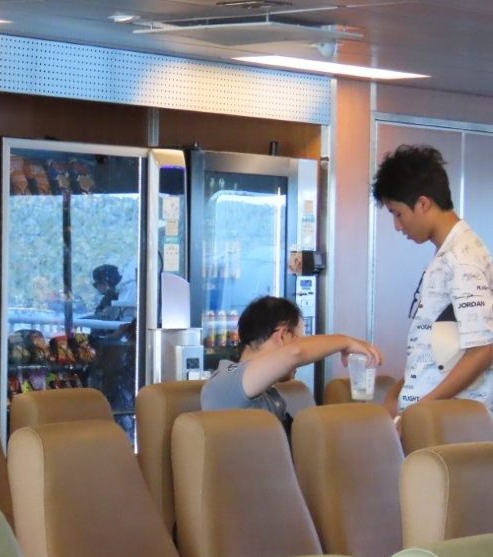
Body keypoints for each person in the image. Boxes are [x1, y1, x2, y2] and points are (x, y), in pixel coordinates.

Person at [372, 144, 493, 418]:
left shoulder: (461, 259)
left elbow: (483, 349)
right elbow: (442, 350)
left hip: (450, 422)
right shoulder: (448, 255)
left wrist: (421, 409)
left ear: (423, 203)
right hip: (431, 417)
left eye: (398, 214)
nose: (397, 226)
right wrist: (399, 393)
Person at [201, 296, 382, 431]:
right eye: (300, 339)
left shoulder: (270, 395)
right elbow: (295, 353)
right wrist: (346, 342)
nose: (305, 349)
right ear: (282, 336)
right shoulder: (226, 380)